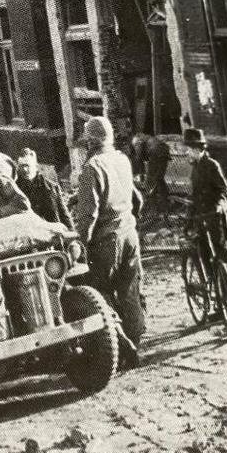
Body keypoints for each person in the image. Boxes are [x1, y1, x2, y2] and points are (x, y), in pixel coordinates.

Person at [76, 116, 145, 368]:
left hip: (107, 240)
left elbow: (88, 216)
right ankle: (136, 340)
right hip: (129, 233)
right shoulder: (122, 159)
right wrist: (129, 221)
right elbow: (137, 199)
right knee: (130, 291)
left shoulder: (92, 168)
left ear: (91, 141)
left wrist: (80, 244)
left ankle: (125, 346)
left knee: (101, 293)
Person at [184, 127, 227, 274]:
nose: (186, 152)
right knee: (204, 253)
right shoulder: (194, 168)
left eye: (188, 149)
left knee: (222, 253)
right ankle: (212, 287)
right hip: (200, 218)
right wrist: (189, 220)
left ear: (197, 149)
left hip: (214, 216)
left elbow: (223, 191)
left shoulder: (212, 165)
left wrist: (219, 206)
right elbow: (194, 197)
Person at [16, 148, 74, 229]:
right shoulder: (15, 189)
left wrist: (72, 235)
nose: (24, 170)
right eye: (21, 166)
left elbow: (64, 215)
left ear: (36, 166)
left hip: (52, 235)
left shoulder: (52, 188)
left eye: (27, 165)